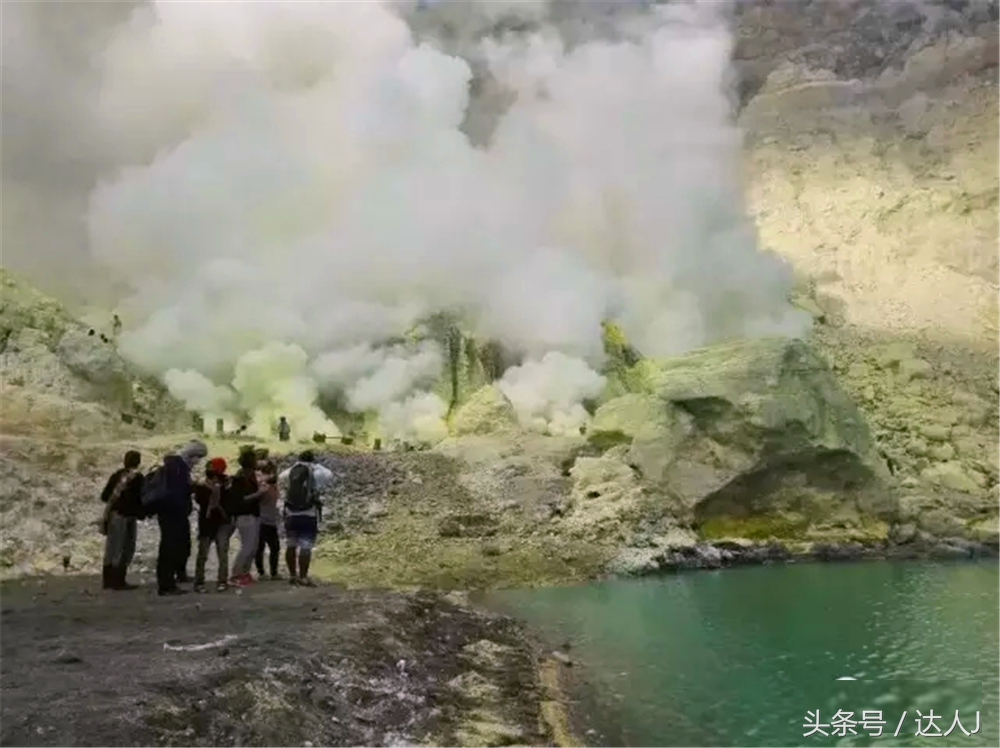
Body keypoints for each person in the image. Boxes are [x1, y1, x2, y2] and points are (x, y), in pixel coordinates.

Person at [152, 440, 206, 596]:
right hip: (172, 513)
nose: (198, 461)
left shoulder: (178, 467)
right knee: (169, 547)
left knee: (179, 545)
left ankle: (173, 578)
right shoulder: (178, 468)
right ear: (192, 454)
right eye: (198, 457)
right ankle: (166, 585)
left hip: (174, 513)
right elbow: (177, 492)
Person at [278, 450, 333, 586]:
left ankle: (292, 575)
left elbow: (281, 477)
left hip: (291, 513)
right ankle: (303, 577)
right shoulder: (316, 473)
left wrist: (295, 465)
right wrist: (316, 465)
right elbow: (330, 475)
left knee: (291, 545)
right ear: (312, 460)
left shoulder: (289, 472)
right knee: (305, 547)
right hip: (308, 514)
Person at [99, 450, 144, 591]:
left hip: (113, 514)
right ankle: (119, 581)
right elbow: (140, 498)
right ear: (138, 462)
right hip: (127, 516)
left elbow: (105, 496)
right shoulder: (137, 478)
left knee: (111, 548)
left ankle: (108, 581)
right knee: (125, 548)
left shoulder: (117, 475)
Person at [193, 457, 234, 592]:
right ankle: (200, 581)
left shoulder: (227, 484)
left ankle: (221, 580)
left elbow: (228, 503)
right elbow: (201, 501)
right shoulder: (202, 486)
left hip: (219, 522)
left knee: (221, 553)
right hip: (208, 522)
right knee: (204, 554)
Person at [228, 449, 268, 587]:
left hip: (254, 514)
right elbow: (241, 500)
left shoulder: (251, 478)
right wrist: (259, 493)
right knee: (247, 546)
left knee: (254, 546)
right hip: (244, 515)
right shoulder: (239, 479)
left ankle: (245, 572)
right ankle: (236, 574)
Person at [255, 460, 281, 579]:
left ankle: (274, 573)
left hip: (271, 521)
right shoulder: (262, 486)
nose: (274, 475)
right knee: (260, 548)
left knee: (275, 548)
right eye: (271, 472)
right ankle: (261, 572)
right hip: (261, 521)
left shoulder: (273, 487)